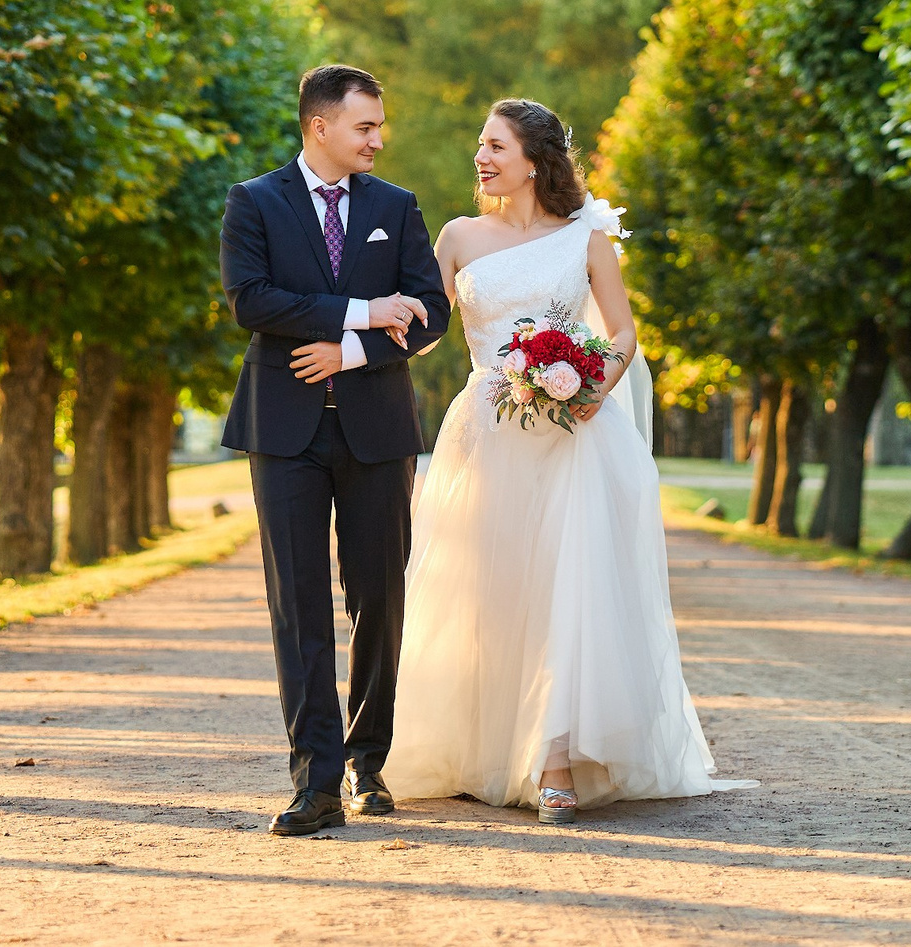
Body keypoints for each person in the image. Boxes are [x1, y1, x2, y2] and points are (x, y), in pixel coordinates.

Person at [393, 97, 752, 823]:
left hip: (572, 435)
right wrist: (358, 329)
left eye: (495, 146)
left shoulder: (587, 236)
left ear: (534, 158)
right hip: (487, 436)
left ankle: (555, 759)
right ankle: (487, 745)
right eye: (481, 146)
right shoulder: (458, 235)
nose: (482, 158)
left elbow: (622, 333)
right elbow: (424, 328)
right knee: (493, 593)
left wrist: (592, 384)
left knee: (565, 587)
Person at [220, 64, 449, 836]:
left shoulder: (397, 207)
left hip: (377, 428)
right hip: (281, 432)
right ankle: (314, 782)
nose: (378, 139)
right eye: (365, 126)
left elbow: (430, 312)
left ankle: (368, 762)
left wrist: (350, 351)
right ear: (320, 125)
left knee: (379, 598)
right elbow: (250, 299)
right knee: (299, 609)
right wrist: (362, 310)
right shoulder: (252, 201)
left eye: (380, 126)